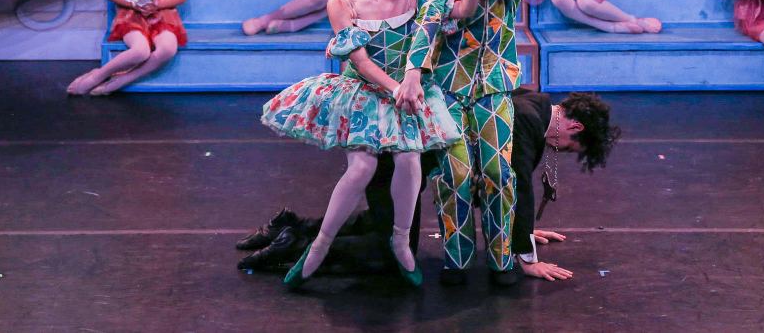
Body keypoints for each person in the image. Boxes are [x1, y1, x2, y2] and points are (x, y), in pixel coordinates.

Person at [259, 0, 462, 289]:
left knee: (409, 157)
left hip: (404, 91)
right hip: (365, 92)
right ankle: (320, 245)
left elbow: (433, 35)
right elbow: (361, 62)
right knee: (362, 168)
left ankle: (401, 240)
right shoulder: (342, 2)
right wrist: (397, 89)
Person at [235, 89, 621, 284]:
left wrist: (517, 227)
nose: (560, 150)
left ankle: (289, 223)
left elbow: (495, 186)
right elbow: (514, 184)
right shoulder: (525, 120)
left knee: (379, 222)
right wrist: (525, 254)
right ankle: (291, 245)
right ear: (574, 126)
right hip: (398, 164)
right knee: (385, 253)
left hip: (401, 162)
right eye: (569, 147)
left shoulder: (529, 99)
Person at [395, 0, 539, 286]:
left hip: (494, 84)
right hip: (449, 86)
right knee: (454, 173)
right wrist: (413, 71)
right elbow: (429, 21)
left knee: (497, 170)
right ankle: (456, 260)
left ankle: (501, 260)